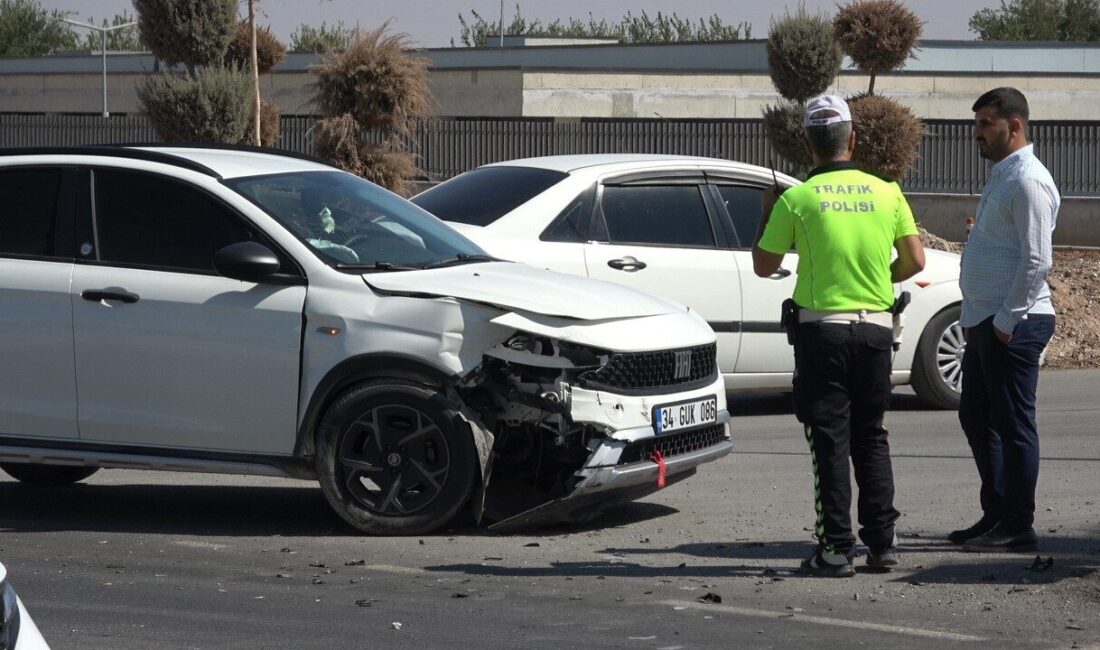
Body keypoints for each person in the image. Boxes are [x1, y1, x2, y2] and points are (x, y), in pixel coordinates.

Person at [753, 94, 926, 577]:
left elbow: (765, 265)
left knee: (829, 441)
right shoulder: (887, 191)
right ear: (853, 139)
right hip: (874, 330)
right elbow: (915, 261)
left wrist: (767, 214)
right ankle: (883, 545)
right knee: (871, 436)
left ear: (808, 143)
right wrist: (875, 279)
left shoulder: (797, 198)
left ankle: (834, 550)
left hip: (821, 333)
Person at [950, 87, 1059, 553]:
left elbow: (1037, 259)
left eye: (985, 125)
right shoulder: (1003, 174)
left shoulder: (1028, 180)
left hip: (1014, 321)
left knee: (1014, 425)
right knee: (976, 414)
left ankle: (1018, 523)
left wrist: (1007, 321)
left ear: (1013, 126)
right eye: (976, 124)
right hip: (985, 319)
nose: (977, 134)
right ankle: (996, 512)